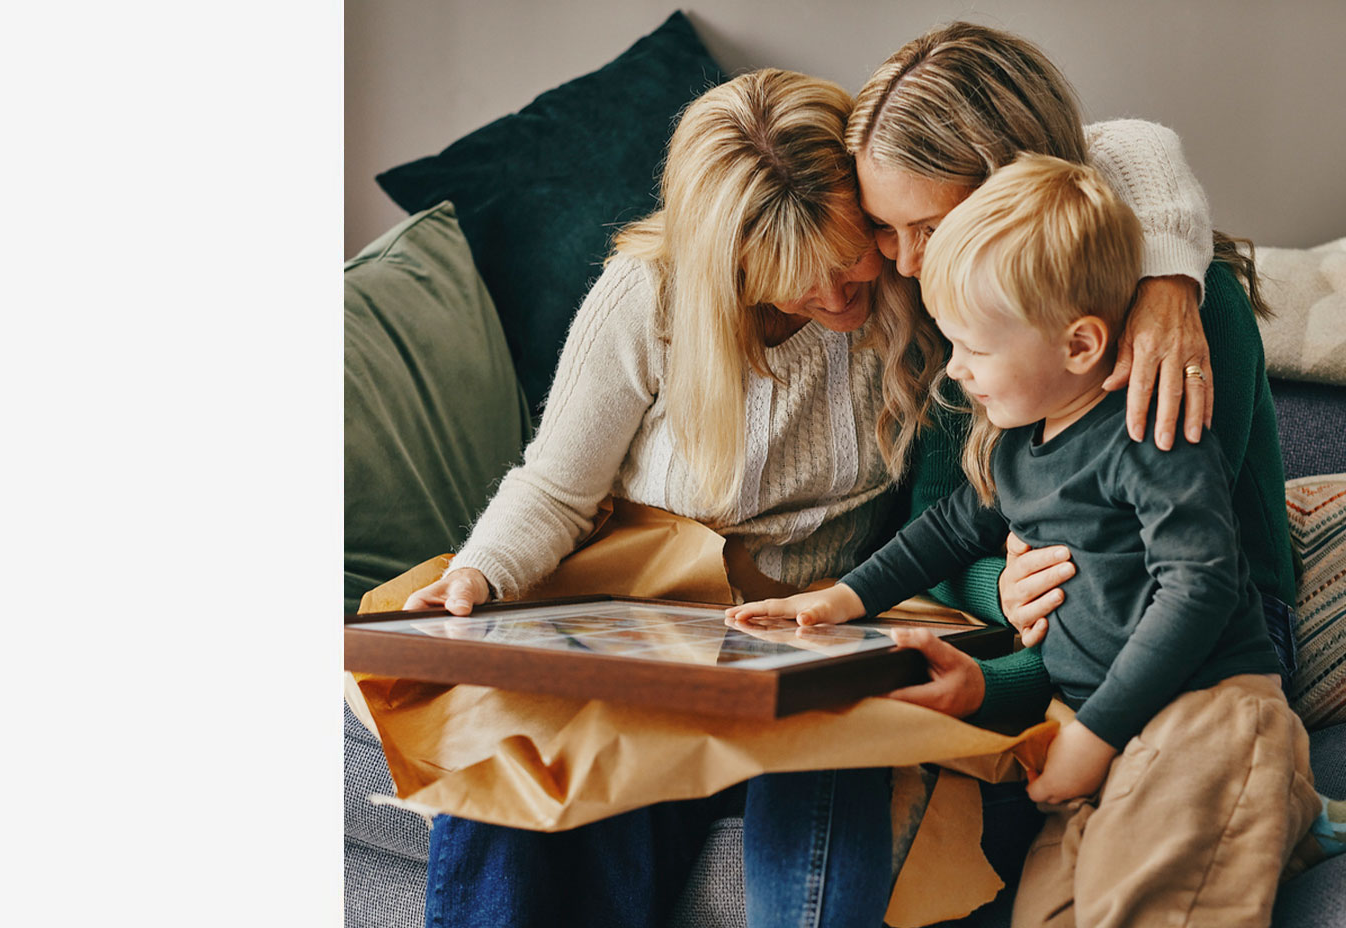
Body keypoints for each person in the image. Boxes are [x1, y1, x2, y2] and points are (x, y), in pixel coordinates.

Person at [404, 68, 944, 928]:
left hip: (809, 638)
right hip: (643, 614)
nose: (842, 297)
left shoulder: (911, 272)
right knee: (512, 775)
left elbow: (1091, 166)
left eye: (853, 262)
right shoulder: (648, 294)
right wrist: (481, 572)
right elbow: (555, 485)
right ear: (728, 262)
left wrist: (1173, 279)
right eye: (801, 279)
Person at [728, 153, 1325, 926]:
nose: (956, 375)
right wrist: (840, 600)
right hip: (1094, 729)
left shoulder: (1151, 432)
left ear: (1079, 346)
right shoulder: (1016, 444)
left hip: (1200, 717)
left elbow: (1201, 586)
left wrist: (1096, 735)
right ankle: (1280, 819)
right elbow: (946, 529)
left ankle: (1268, 796)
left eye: (974, 351)